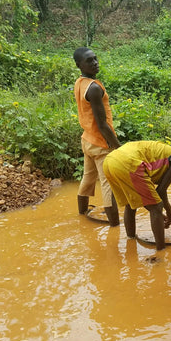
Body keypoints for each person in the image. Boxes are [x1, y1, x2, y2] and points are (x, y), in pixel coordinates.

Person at [103, 140, 171, 250]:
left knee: (130, 203)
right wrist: (170, 213)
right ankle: (161, 250)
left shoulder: (164, 164)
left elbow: (161, 190)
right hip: (128, 162)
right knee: (156, 207)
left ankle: (130, 240)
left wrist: (164, 212)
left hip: (110, 161)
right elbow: (160, 192)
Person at [73, 47, 121, 226]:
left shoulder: (80, 83)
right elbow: (102, 125)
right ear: (79, 65)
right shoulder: (94, 88)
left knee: (88, 178)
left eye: (95, 59)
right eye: (89, 61)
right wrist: (118, 146)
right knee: (109, 185)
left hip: (87, 139)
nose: (95, 63)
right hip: (100, 144)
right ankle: (115, 226)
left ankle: (82, 214)